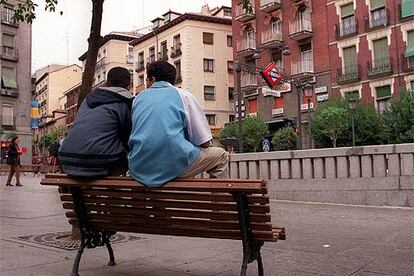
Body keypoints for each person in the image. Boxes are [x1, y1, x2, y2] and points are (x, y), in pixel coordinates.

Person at [128, 61, 228, 187]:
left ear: (152, 79)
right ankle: (219, 204)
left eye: (147, 80)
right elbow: (204, 141)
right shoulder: (183, 95)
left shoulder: (137, 99)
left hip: (139, 168)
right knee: (221, 156)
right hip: (172, 166)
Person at [59, 67, 134, 178]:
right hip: (99, 163)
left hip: (67, 161)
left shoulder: (88, 99)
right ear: (129, 86)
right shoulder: (126, 102)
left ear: (107, 83)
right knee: (133, 153)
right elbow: (128, 136)